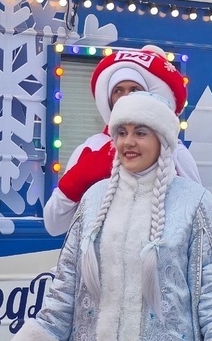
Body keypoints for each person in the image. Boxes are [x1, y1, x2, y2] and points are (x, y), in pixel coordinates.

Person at [0, 89, 212, 341]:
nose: (129, 142)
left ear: (163, 139)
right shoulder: (94, 200)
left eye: (140, 132)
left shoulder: (192, 203)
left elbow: (211, 295)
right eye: (122, 132)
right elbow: (66, 287)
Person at [44, 44, 201, 236]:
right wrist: (79, 178)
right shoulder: (91, 147)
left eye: (135, 89)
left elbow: (198, 221)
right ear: (109, 99)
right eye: (118, 90)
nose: (126, 97)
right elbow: (54, 225)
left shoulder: (174, 150)